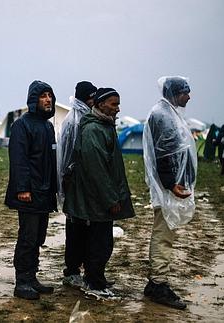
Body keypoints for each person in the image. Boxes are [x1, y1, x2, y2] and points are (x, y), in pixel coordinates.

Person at [64, 87, 136, 298]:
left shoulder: (104, 126)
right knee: (100, 243)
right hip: (95, 200)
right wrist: (111, 199)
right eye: (113, 104)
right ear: (100, 104)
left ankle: (96, 278)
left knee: (99, 241)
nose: (117, 108)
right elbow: (97, 170)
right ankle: (94, 283)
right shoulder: (94, 130)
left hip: (97, 199)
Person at [142, 76, 197, 310]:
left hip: (171, 184)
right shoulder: (163, 115)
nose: (189, 96)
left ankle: (156, 281)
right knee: (163, 234)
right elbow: (164, 152)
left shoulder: (168, 112)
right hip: (168, 186)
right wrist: (171, 183)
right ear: (175, 92)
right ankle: (158, 284)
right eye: (186, 91)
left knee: (166, 233)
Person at [5, 80, 57, 300]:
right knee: (27, 237)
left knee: (38, 238)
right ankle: (22, 281)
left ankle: (32, 276)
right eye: (44, 96)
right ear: (34, 99)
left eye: (50, 96)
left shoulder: (48, 126)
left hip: (44, 193)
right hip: (29, 193)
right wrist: (22, 188)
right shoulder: (21, 125)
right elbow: (19, 160)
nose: (48, 100)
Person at [57, 81, 96, 290]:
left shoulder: (86, 117)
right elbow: (68, 157)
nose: (94, 100)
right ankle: (71, 271)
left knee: (85, 230)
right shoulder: (74, 121)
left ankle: (84, 269)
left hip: (84, 186)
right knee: (75, 229)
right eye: (91, 97)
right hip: (74, 186)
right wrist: (68, 185)